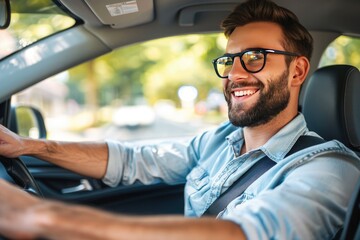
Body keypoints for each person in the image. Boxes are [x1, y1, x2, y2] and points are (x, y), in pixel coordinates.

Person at [0, 0, 359, 239]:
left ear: (297, 71)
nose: (234, 74)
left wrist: (42, 216)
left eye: (254, 57)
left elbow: (247, 233)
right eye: (229, 60)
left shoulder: (329, 168)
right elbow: (133, 161)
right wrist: (27, 145)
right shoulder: (219, 141)